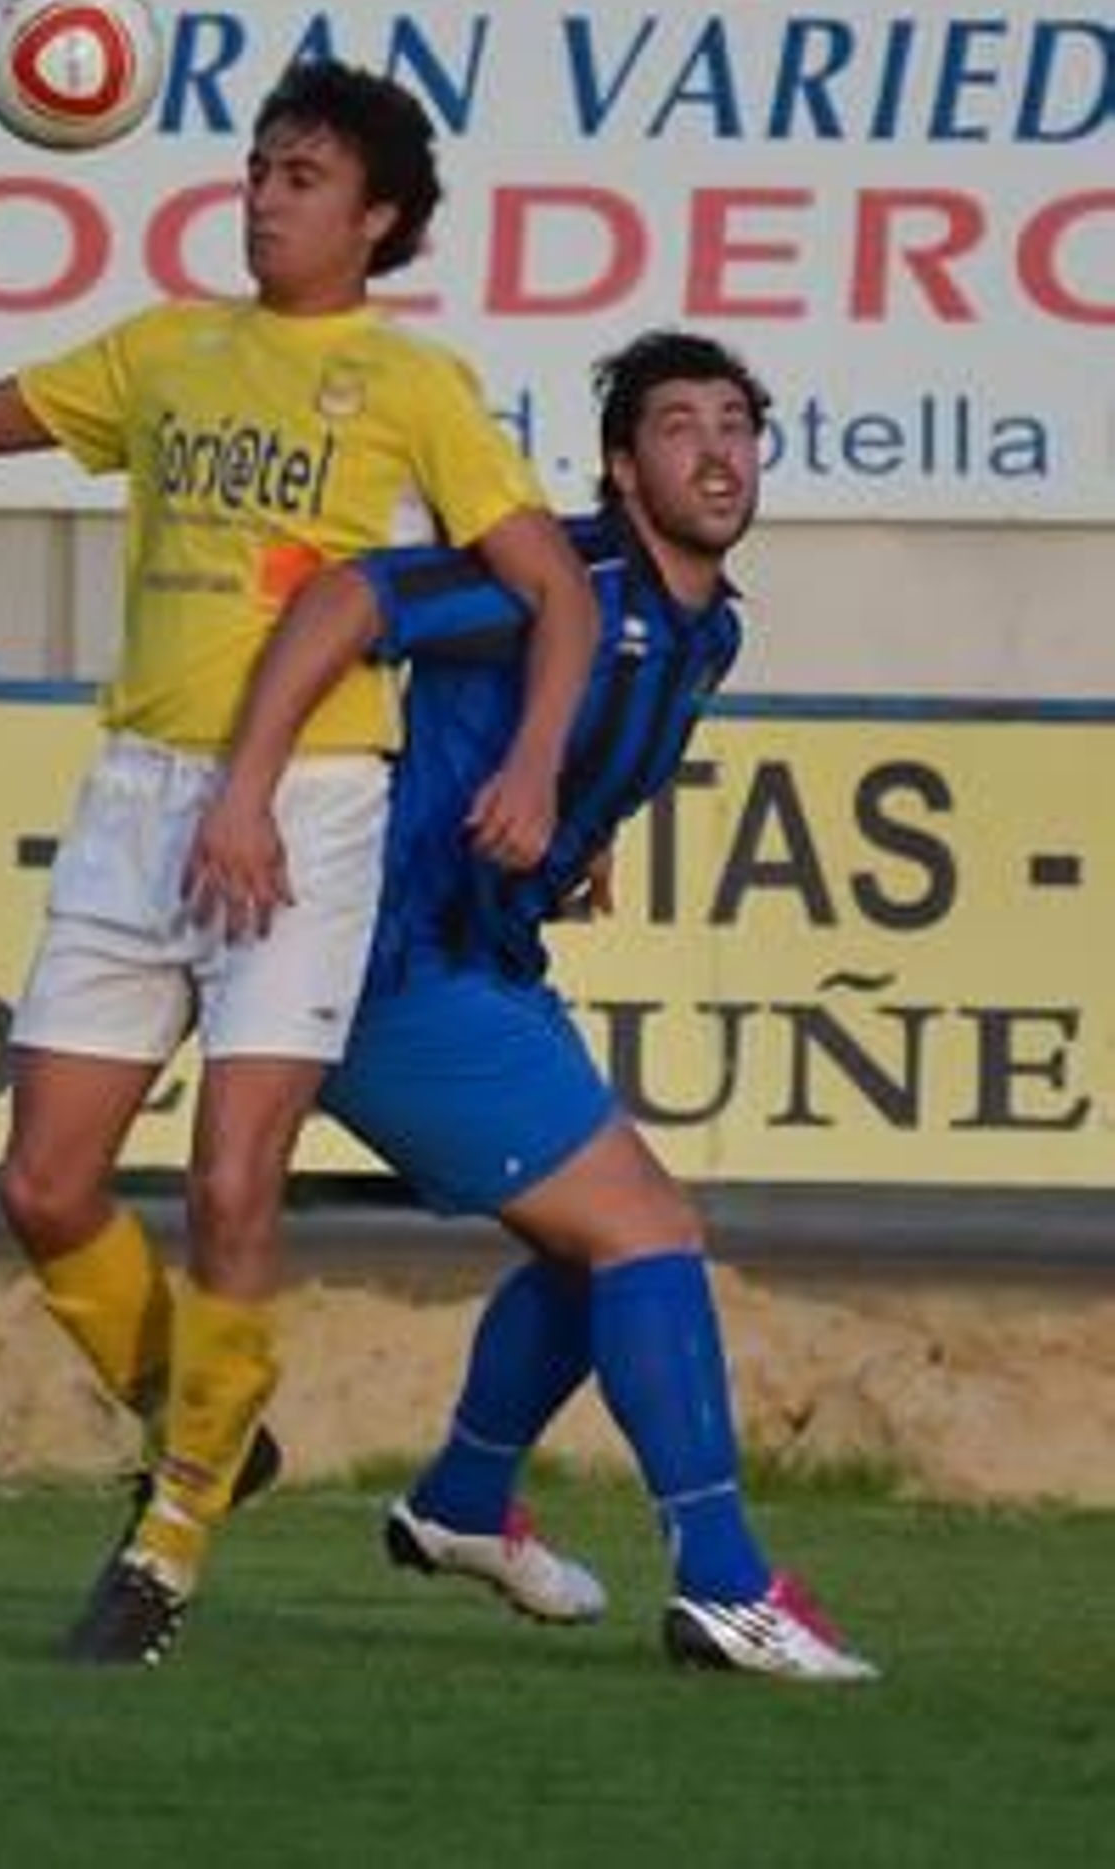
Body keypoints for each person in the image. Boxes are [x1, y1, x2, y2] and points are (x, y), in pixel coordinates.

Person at [0, 58, 596, 1668]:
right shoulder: (169, 350)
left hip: (307, 810)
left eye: (301, 177)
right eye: (257, 168)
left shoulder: (413, 382)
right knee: (43, 1183)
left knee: (235, 1178)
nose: (264, 196)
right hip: (143, 797)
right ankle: (209, 1417)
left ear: (376, 217)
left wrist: (528, 765)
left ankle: (167, 1544)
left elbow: (556, 596)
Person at [186, 327, 878, 1682]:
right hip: (382, 958)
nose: (717, 450)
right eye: (679, 426)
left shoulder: (709, 628)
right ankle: (728, 1585)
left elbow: (586, 737)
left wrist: (575, 829)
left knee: (595, 1247)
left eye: (736, 423)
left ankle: (459, 1500)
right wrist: (244, 790)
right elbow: (349, 597)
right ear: (624, 468)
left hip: (483, 957)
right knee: (647, 1229)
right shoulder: (556, 574)